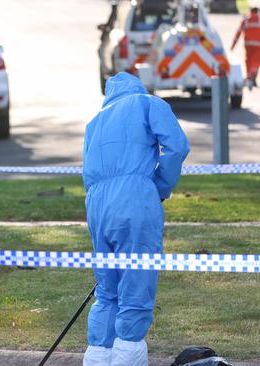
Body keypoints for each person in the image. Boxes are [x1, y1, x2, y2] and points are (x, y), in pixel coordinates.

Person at [82, 72, 189, 366]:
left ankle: (98, 357)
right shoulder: (147, 103)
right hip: (134, 197)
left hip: (97, 204)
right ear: (137, 86)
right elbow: (177, 146)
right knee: (136, 284)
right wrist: (159, 186)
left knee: (106, 290)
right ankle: (128, 355)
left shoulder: (95, 122)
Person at [231, 7, 260, 88]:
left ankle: (249, 76)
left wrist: (233, 45)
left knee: (248, 61)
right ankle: (253, 75)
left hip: (248, 45)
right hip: (258, 45)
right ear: (257, 12)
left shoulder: (246, 20)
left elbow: (238, 33)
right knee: (257, 61)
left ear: (251, 11)